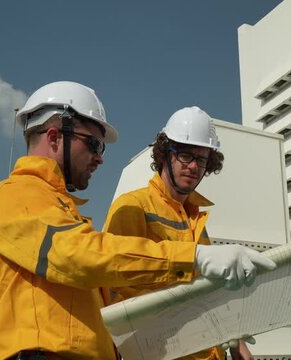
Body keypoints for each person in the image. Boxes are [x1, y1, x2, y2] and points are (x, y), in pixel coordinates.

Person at [0, 82, 276, 360]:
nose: (101, 157)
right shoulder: (15, 196)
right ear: (54, 137)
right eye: (94, 144)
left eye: (203, 159)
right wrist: (194, 257)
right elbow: (79, 255)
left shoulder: (58, 208)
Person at [103, 106, 255, 360]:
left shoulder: (196, 219)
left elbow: (211, 291)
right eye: (185, 155)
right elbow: (116, 293)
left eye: (202, 159)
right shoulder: (133, 207)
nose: (194, 166)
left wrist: (235, 341)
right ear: (165, 155)